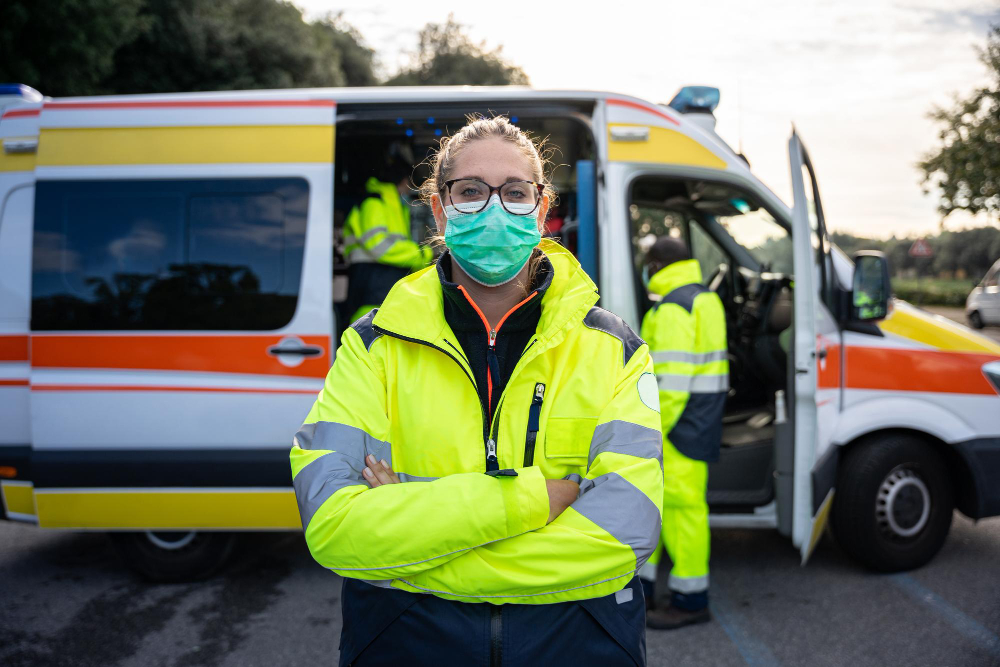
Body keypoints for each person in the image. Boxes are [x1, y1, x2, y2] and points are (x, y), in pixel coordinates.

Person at [291, 116, 664, 666]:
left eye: (515, 193)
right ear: (439, 209)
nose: (494, 208)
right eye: (470, 192)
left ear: (541, 210)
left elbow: (625, 532)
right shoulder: (372, 345)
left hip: (575, 646)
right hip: (408, 645)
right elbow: (333, 525)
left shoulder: (613, 349)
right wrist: (535, 499)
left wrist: (411, 538)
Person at [637, 237, 729, 630]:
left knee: (676, 514)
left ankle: (690, 602)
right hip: (700, 422)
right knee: (678, 511)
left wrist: (649, 431)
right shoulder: (705, 298)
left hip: (676, 427)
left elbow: (670, 384)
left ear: (656, 266)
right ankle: (648, 591)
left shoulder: (673, 308)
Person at [342, 161, 433, 323]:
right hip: (371, 282)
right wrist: (422, 253)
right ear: (404, 181)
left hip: (380, 281)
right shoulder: (374, 203)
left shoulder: (393, 205)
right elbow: (379, 247)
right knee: (368, 334)